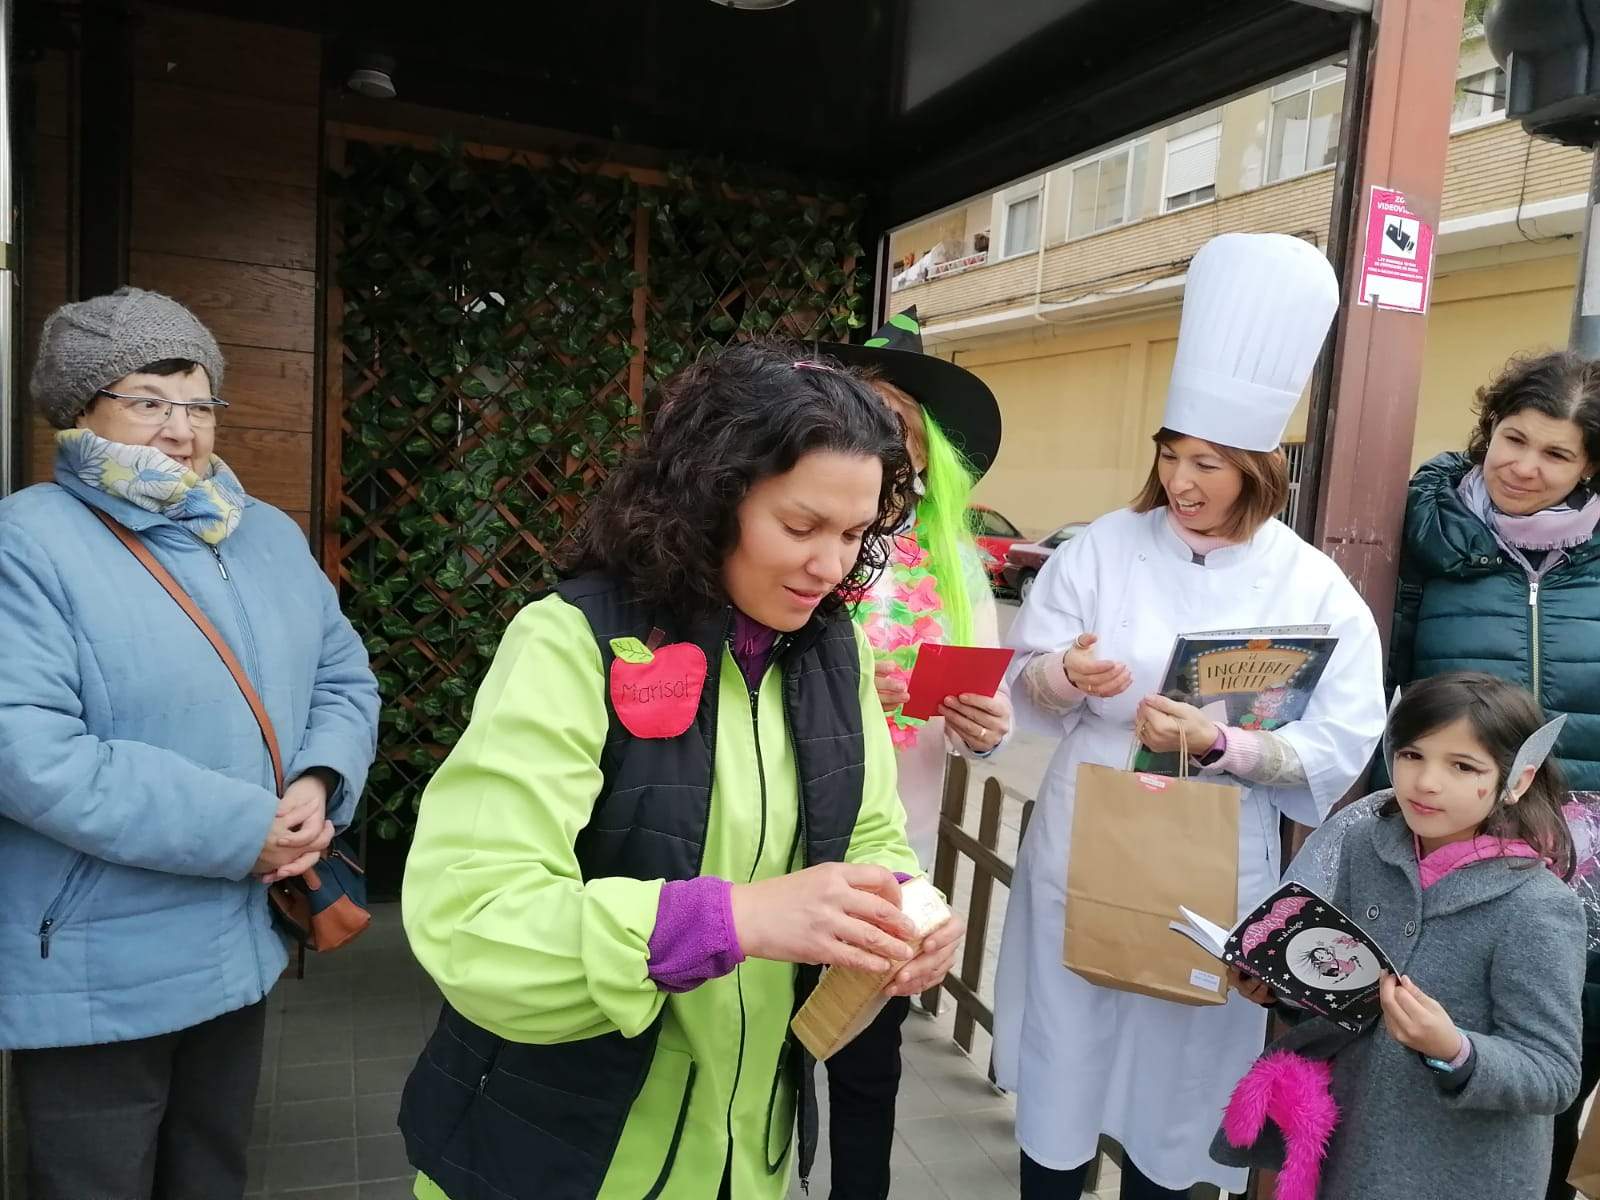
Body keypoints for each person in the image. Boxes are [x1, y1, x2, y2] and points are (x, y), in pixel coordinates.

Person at [396, 341, 965, 1200]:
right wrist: (732, 920)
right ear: (711, 497)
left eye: (854, 534)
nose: (831, 566)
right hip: (566, 1153)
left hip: (748, 1149)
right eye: (801, 527)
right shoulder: (573, 639)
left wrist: (901, 906)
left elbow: (872, 829)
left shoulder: (830, 648)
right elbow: (472, 914)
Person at [993, 233, 1387, 1199]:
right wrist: (1059, 675)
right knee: (1066, 1051)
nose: (1182, 483)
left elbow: (1342, 741)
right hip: (1085, 834)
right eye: (1171, 457)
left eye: (1208, 463)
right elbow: (1022, 676)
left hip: (1217, 860)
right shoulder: (1104, 548)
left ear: (1259, 466)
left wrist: (1226, 741)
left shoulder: (1312, 584)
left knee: (1177, 1081)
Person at [0, 287, 381, 1200]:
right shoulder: (29, 543)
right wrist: (240, 826)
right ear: (79, 409)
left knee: (211, 1170)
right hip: (95, 956)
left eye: (200, 400)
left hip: (234, 943)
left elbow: (343, 679)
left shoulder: (266, 537)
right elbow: (28, 751)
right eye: (148, 399)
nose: (182, 429)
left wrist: (321, 781)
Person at [1223, 672, 1585, 1200]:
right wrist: (1282, 989)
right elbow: (1344, 994)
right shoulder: (1368, 844)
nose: (1426, 781)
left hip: (1463, 1173)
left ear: (1519, 780)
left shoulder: (1538, 907)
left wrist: (1454, 1050)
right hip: (1351, 1148)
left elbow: (1553, 1075)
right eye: (1412, 755)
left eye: (1463, 766)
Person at [1388, 350, 1600, 1198]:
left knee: (1556, 1067)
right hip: (1452, 854)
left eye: (1557, 454)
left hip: (1585, 875)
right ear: (1488, 432)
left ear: (1589, 468)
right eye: (1514, 439)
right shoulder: (1434, 537)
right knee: (1433, 1057)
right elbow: (1384, 686)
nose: (1525, 466)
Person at [819, 308, 1012, 1199]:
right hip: (787, 830)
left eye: (898, 424)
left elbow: (990, 709)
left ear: (930, 450)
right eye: (861, 415)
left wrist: (986, 724)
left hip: (895, 843)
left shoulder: (955, 561)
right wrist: (857, 689)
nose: (884, 444)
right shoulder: (815, 538)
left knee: (868, 1050)